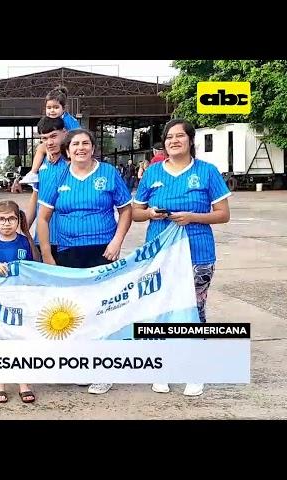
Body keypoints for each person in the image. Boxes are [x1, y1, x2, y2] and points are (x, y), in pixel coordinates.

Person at [132, 118, 231, 397]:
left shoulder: (207, 172)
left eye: (179, 136)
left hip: (197, 251)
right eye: (169, 137)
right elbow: (137, 213)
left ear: (190, 141)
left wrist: (193, 217)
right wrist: (151, 213)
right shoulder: (152, 174)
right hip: (160, 253)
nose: (173, 141)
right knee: (160, 309)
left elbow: (223, 214)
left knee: (193, 311)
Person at [37, 128, 133, 396]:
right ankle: (78, 364)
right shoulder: (56, 175)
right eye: (75, 144)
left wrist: (116, 242)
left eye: (86, 143)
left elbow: (126, 210)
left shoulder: (109, 173)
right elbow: (43, 218)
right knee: (72, 310)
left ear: (93, 147)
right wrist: (47, 254)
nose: (80, 148)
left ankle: (104, 370)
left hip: (103, 251)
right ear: (67, 150)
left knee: (102, 310)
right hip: (67, 252)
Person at [0, 200, 37, 403]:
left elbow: (36, 270)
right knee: (0, 342)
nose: (6, 223)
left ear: (18, 220)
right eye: (1, 219)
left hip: (21, 301)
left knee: (21, 341)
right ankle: (0, 384)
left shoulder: (25, 243)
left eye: (11, 218)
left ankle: (24, 383)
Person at [24, 116, 70, 262]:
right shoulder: (42, 164)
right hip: (44, 241)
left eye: (54, 136)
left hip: (70, 241)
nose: (49, 142)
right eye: (44, 139)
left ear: (65, 133)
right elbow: (35, 197)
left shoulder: (75, 163)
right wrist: (24, 229)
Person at [21, 85, 80, 185]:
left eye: (56, 107)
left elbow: (76, 138)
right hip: (62, 147)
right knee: (40, 148)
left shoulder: (69, 121)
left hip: (71, 146)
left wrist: (61, 152)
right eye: (49, 108)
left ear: (64, 108)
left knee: (41, 148)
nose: (52, 111)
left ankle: (33, 172)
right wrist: (48, 149)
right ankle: (33, 173)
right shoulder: (50, 119)